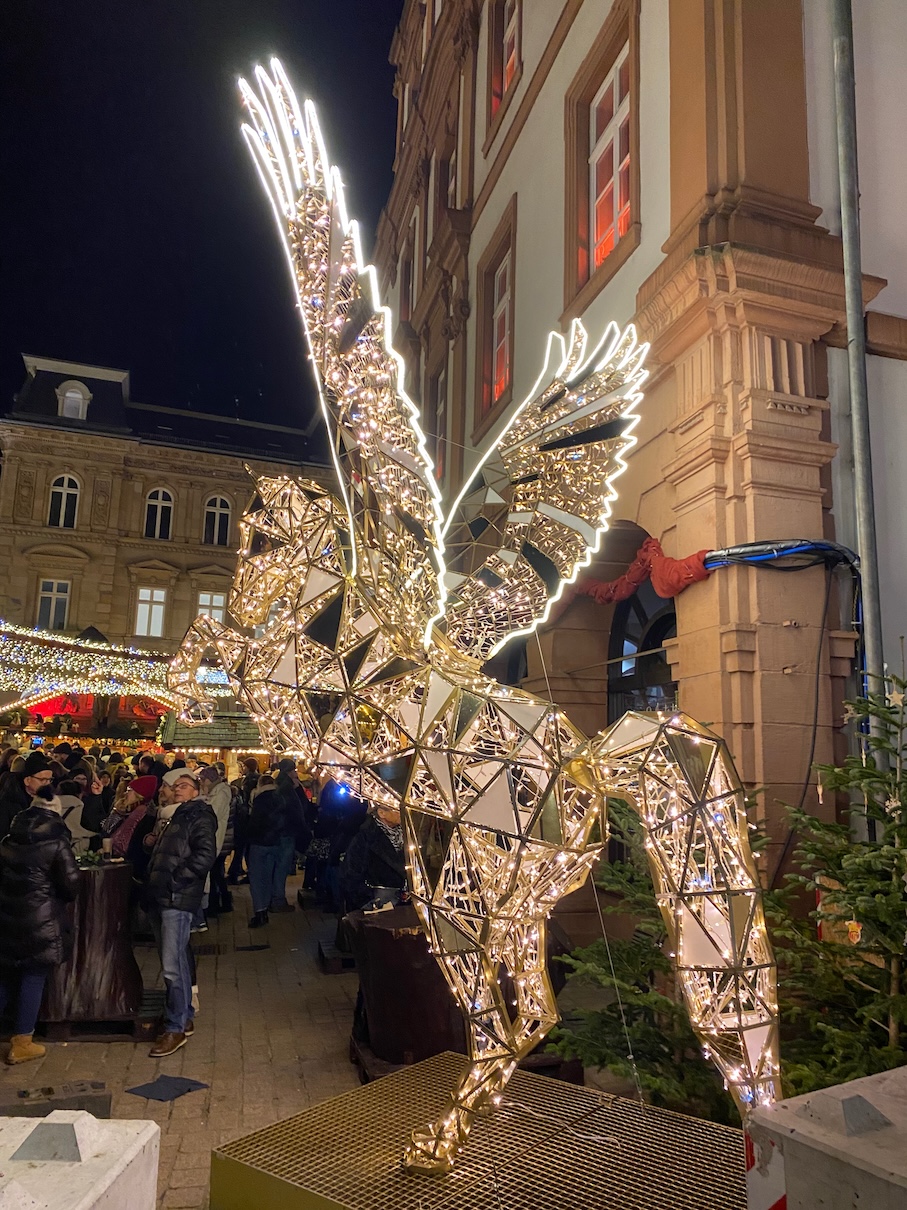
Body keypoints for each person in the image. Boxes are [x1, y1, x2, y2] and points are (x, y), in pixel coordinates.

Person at [0, 784, 81, 1063]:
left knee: (5, 976)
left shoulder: (8, 840)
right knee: (33, 977)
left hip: (7, 916)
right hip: (42, 920)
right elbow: (71, 884)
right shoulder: (57, 844)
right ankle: (22, 1042)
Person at [143, 771, 216, 1057]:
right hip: (162, 896)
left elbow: (204, 856)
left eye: (184, 786)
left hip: (177, 897)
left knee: (172, 966)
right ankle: (183, 1017)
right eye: (175, 786)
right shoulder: (178, 816)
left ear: (197, 791)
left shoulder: (200, 816)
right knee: (177, 964)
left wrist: (175, 881)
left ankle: (175, 1027)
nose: (177, 790)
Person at [341, 800, 407, 913]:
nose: (402, 812)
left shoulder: (407, 834)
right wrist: (368, 901)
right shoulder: (365, 837)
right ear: (382, 813)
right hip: (379, 904)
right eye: (396, 809)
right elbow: (351, 874)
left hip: (405, 903)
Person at [245, 775, 286, 928]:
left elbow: (255, 822)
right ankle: (266, 907)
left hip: (259, 842)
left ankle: (260, 912)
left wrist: (248, 837)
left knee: (256, 878)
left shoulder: (260, 799)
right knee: (268, 877)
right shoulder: (280, 798)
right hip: (274, 842)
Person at [198, 765, 233, 917]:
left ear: (208, 780)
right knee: (216, 872)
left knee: (215, 873)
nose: (200, 783)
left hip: (217, 838)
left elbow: (213, 813)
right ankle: (221, 902)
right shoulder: (215, 792)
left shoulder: (221, 793)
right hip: (215, 838)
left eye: (202, 779)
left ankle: (216, 904)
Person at [0, 751, 55, 839]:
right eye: (43, 779)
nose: (47, 783)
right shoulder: (7, 802)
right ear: (27, 780)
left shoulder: (50, 801)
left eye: (50, 780)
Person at [102, 776, 157, 858]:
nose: (126, 793)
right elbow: (106, 828)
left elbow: (120, 842)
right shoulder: (128, 810)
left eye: (129, 790)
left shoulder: (141, 813)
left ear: (138, 794)